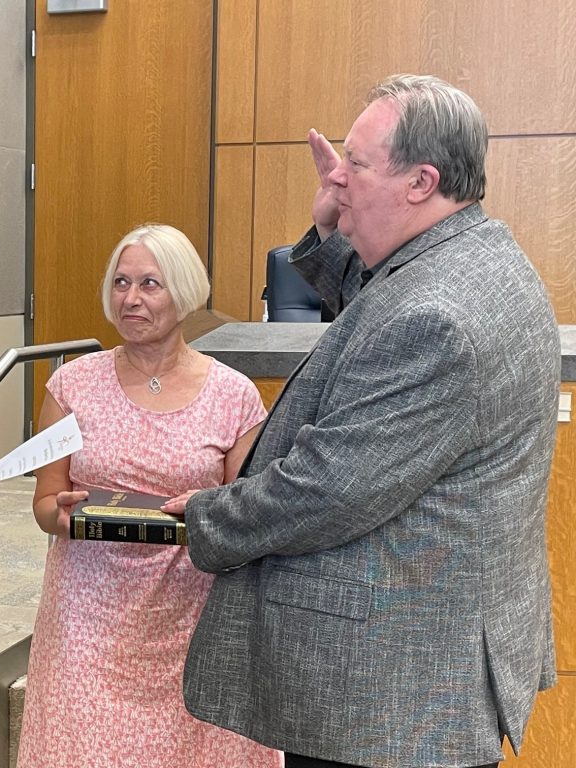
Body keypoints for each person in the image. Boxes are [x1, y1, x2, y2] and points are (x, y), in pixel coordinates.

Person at [180, 75, 559, 768]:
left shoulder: (438, 320)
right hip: (424, 667)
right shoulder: (471, 256)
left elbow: (330, 490)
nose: (337, 176)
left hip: (393, 693)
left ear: (421, 182)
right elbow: (380, 307)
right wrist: (336, 230)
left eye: (356, 163)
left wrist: (206, 518)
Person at [17, 224, 280, 768]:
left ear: (184, 292)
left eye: (149, 284)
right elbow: (45, 501)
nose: (131, 299)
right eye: (121, 283)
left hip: (193, 612)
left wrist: (210, 515)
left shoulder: (235, 396)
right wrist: (59, 517)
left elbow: (247, 513)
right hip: (87, 615)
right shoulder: (71, 386)